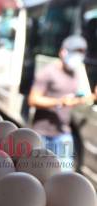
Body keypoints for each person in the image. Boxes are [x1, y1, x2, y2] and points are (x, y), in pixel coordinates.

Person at [28, 35, 96, 171]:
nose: (78, 58)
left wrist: (93, 97)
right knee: (39, 173)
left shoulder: (76, 74)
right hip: (42, 133)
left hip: (63, 133)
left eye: (81, 54)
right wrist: (59, 102)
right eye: (76, 53)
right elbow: (33, 100)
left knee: (65, 174)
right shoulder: (48, 72)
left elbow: (73, 100)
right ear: (63, 52)